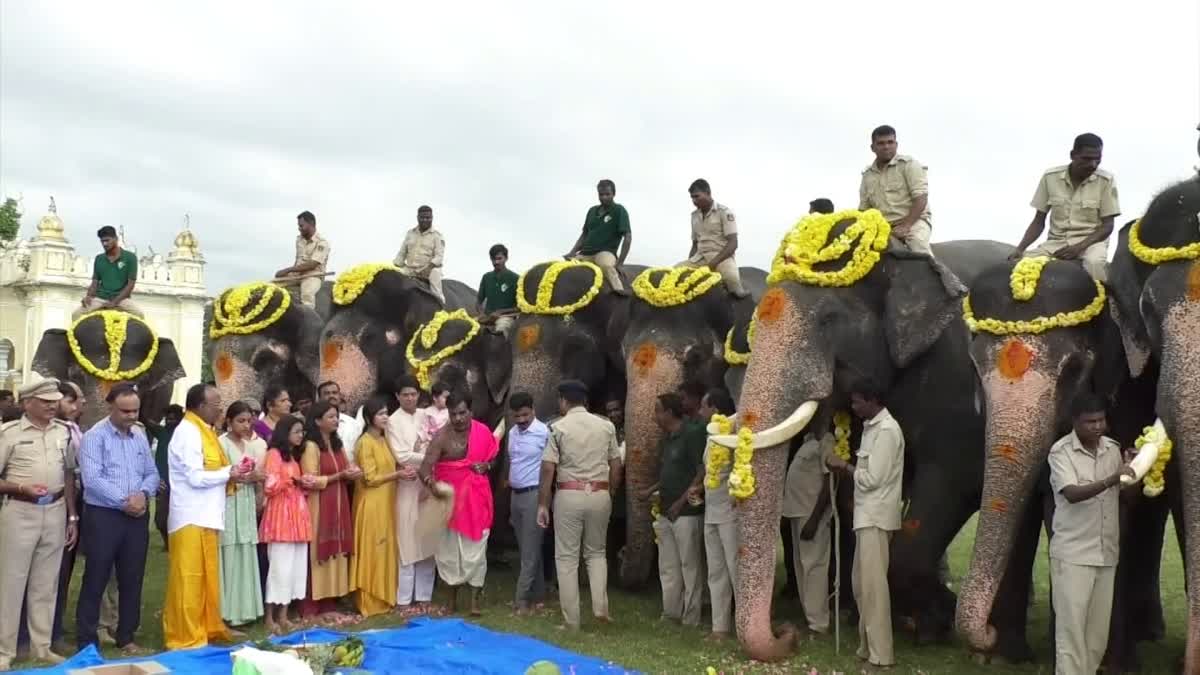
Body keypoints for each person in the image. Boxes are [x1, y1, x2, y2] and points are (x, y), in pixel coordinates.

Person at [1047, 394, 1136, 675]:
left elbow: (1126, 494)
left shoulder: (1112, 449)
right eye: (1090, 422)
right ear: (1075, 423)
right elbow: (1072, 493)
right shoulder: (1060, 453)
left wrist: (1135, 469)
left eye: (1101, 420)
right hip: (1073, 555)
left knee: (1097, 636)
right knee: (1071, 632)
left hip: (1106, 553)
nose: (1097, 426)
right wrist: (1112, 478)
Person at [163, 384, 254, 650]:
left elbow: (213, 469)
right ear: (201, 406)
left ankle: (208, 627)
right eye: (216, 403)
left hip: (207, 515)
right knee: (188, 580)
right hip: (190, 516)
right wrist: (229, 474)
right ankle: (185, 636)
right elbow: (194, 477)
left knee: (207, 579)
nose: (220, 407)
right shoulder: (188, 433)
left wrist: (233, 470)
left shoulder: (206, 431)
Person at [826, 380, 903, 670]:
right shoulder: (873, 427)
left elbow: (873, 479)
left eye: (858, 402)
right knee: (860, 586)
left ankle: (882, 656)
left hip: (876, 518)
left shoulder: (887, 431)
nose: (854, 407)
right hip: (865, 516)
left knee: (873, 588)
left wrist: (843, 467)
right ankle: (867, 645)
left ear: (873, 400)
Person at [76, 383, 159, 653]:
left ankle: (127, 635)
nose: (131, 416)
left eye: (135, 410)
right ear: (111, 406)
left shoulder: (139, 436)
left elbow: (152, 472)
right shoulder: (95, 436)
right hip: (104, 515)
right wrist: (125, 501)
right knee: (96, 576)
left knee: (132, 576)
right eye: (125, 411)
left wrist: (143, 494)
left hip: (136, 516)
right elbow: (92, 480)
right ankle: (87, 639)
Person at [0, 379, 76, 669]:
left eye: (53, 400)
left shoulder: (63, 432)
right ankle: (5, 651)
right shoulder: (8, 434)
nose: (51, 405)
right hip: (20, 511)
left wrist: (72, 515)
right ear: (27, 402)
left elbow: (69, 476)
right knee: (11, 582)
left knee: (46, 583)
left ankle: (40, 647)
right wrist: (21, 488)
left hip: (55, 511)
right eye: (44, 401)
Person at [536, 379, 623, 630]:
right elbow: (616, 465)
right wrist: (610, 491)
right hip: (600, 493)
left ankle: (571, 620)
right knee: (596, 553)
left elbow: (548, 469)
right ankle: (600, 608)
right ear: (585, 401)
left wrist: (543, 504)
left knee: (566, 558)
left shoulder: (557, 427)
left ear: (563, 400)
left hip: (569, 494)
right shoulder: (606, 426)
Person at [420, 392, 500, 616]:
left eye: (462, 413)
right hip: (450, 503)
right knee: (449, 552)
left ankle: (474, 602)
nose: (458, 418)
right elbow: (425, 468)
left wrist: (487, 466)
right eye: (453, 414)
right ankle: (451, 601)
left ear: (470, 412)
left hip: (476, 500)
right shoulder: (441, 437)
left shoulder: (482, 432)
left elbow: (493, 456)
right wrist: (431, 484)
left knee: (477, 549)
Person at [1009, 133, 1120, 282]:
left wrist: (1079, 247)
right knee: (1021, 267)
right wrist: (1020, 249)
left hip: (1091, 244)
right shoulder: (1050, 177)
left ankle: (1109, 303)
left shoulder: (1106, 181)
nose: (1093, 164)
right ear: (1073, 155)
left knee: (1095, 265)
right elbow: (1038, 221)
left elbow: (1108, 226)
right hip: (1056, 243)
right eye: (1087, 159)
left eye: (1097, 159)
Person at [642, 394, 705, 626]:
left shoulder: (691, 434)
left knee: (690, 565)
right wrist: (651, 490)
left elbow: (701, 470)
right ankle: (671, 612)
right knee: (668, 564)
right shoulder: (667, 439)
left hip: (687, 512)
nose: (655, 415)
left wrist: (682, 502)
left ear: (670, 412)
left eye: (658, 410)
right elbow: (668, 472)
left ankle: (691, 616)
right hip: (665, 509)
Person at [300, 401, 361, 619]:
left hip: (338, 501)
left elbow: (345, 468)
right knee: (318, 550)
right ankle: (311, 604)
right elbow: (309, 480)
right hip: (318, 504)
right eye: (330, 417)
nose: (335, 420)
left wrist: (353, 472)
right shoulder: (311, 446)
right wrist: (339, 477)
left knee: (335, 550)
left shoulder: (337, 444)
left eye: (336, 417)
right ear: (317, 421)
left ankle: (329, 602)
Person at [686, 388, 737, 640]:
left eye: (704, 407)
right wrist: (699, 488)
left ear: (715, 409)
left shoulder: (734, 432)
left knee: (736, 569)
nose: (700, 411)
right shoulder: (711, 436)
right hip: (712, 511)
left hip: (730, 512)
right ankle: (720, 628)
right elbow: (711, 473)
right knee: (716, 571)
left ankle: (746, 625)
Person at [386, 376, 438, 612]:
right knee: (406, 539)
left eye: (413, 394)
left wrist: (430, 458)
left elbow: (436, 443)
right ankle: (404, 599)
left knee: (427, 537)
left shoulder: (427, 415)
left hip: (428, 483)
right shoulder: (392, 421)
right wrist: (430, 458)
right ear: (397, 396)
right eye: (405, 394)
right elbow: (402, 456)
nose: (409, 398)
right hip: (406, 486)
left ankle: (424, 596)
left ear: (419, 395)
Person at [259, 416, 312, 635]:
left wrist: (303, 483)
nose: (301, 435)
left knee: (294, 568)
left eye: (302, 431)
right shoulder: (273, 454)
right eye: (297, 431)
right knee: (279, 569)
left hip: (297, 517)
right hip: (281, 516)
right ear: (285, 433)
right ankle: (269, 617)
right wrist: (291, 481)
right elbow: (269, 485)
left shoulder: (293, 456)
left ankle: (284, 615)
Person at [350, 396, 402, 617]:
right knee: (372, 548)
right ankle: (368, 601)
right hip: (370, 503)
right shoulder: (365, 443)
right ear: (370, 418)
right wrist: (397, 474)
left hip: (386, 501)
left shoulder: (383, 439)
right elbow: (370, 478)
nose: (386, 417)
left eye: (386, 413)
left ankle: (384, 596)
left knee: (384, 548)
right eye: (381, 413)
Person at [217, 401, 267, 627]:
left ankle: (247, 610)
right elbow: (218, 474)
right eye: (241, 420)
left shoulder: (248, 445)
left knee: (246, 550)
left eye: (249, 420)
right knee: (230, 553)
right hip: (228, 503)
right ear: (228, 421)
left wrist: (256, 479)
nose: (246, 425)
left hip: (245, 502)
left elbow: (253, 472)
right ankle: (227, 612)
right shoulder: (221, 444)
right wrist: (241, 477)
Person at [783, 417, 834, 634]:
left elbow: (829, 482)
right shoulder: (807, 440)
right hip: (796, 512)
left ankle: (819, 623)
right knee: (801, 566)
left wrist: (815, 518)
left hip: (811, 515)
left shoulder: (828, 440)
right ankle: (810, 617)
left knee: (814, 567)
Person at [48, 381, 86, 652]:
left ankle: (54, 628)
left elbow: (73, 474)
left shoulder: (74, 430)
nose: (78, 406)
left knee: (62, 572)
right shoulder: (54, 432)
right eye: (72, 400)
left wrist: (73, 516)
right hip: (45, 504)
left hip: (72, 505)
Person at [504, 392, 550, 615]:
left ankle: (521, 601)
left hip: (534, 495)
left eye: (525, 415)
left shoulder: (544, 433)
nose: (521, 420)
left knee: (529, 552)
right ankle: (539, 596)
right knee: (527, 549)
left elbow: (552, 467)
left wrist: (545, 500)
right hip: (516, 495)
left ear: (533, 410)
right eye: (517, 416)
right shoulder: (512, 433)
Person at [858, 124, 933, 256]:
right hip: (883, 227)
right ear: (873, 148)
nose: (886, 146)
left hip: (914, 222)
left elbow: (921, 199)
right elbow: (864, 210)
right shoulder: (867, 175)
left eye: (890, 142)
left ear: (896, 144)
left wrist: (906, 226)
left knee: (918, 247)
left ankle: (942, 275)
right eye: (881, 143)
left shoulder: (909, 165)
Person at [679, 179, 747, 298]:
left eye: (697, 196)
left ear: (708, 193)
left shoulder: (724, 212)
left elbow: (733, 243)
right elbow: (695, 244)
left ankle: (743, 308)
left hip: (721, 258)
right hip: (699, 259)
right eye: (692, 198)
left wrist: (713, 263)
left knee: (733, 281)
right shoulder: (694, 216)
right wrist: (690, 264)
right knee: (674, 273)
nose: (694, 201)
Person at [565, 179, 632, 295]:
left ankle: (620, 292)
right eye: (601, 194)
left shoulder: (619, 210)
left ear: (613, 194)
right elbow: (584, 234)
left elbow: (628, 237)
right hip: (585, 253)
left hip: (605, 253)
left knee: (607, 266)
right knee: (566, 269)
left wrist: (620, 262)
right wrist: (572, 252)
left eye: (607, 194)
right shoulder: (592, 211)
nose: (604, 197)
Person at [275, 211, 330, 309]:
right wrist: (287, 274)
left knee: (307, 295)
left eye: (301, 226)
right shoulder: (299, 240)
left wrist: (288, 270)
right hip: (296, 275)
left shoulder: (322, 243)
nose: (299, 229)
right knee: (272, 286)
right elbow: (298, 260)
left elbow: (312, 264)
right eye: (299, 226)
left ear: (311, 224)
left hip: (312, 276)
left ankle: (308, 319)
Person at [394, 205, 446, 304]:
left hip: (429, 269)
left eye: (428, 218)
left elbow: (439, 257)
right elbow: (402, 253)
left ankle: (441, 306)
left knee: (436, 285)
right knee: (393, 282)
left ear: (432, 218)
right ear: (418, 218)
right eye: (423, 217)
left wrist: (428, 268)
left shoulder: (437, 236)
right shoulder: (410, 233)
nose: (425, 220)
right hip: (409, 269)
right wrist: (397, 263)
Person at [149, 405, 183, 551]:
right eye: (168, 418)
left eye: (173, 418)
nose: (170, 421)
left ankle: (177, 543)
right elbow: (145, 420)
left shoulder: (184, 435)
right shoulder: (161, 432)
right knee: (161, 518)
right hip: (162, 483)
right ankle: (168, 543)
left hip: (181, 484)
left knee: (178, 516)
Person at [477, 244, 520, 337]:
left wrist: (500, 313)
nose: (496, 262)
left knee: (502, 328)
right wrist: (481, 315)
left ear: (506, 258)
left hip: (505, 318)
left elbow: (519, 307)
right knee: (467, 327)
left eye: (499, 258)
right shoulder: (486, 277)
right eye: (493, 259)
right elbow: (478, 301)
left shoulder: (515, 278)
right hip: (487, 317)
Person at [317, 381, 361, 463]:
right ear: (319, 398)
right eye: (327, 393)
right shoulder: (315, 423)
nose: (331, 396)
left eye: (334, 393)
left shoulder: (353, 423)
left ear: (340, 396)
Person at [419, 383, 451, 452]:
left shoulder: (451, 412)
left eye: (449, 397)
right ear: (435, 398)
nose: (448, 400)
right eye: (445, 397)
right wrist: (419, 441)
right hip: (430, 442)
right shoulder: (427, 412)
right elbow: (424, 429)